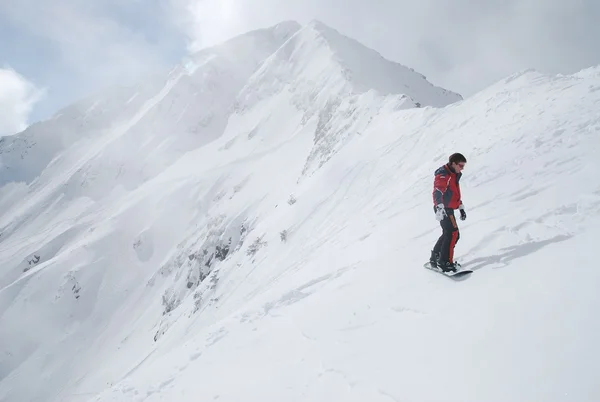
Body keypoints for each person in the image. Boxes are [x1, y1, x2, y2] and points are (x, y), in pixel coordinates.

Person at [430, 153, 467, 272]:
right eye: (461, 165)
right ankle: (445, 263)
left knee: (448, 233)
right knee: (453, 234)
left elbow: (453, 193)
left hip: (447, 208)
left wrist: (460, 207)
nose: (462, 168)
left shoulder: (453, 174)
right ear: (453, 163)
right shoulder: (443, 174)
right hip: (443, 209)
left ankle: (436, 257)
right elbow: (437, 192)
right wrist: (440, 208)